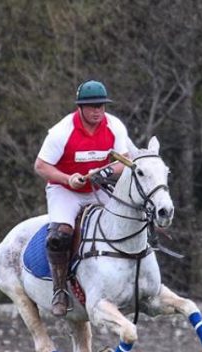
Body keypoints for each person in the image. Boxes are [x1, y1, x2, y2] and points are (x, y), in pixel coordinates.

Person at [34, 80, 130, 317]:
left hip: (98, 188)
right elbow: (41, 166)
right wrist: (68, 179)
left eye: (101, 106)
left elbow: (125, 161)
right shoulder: (61, 132)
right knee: (60, 236)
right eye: (92, 106)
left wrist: (106, 171)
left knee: (128, 220)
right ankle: (59, 290)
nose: (98, 111)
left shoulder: (114, 126)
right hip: (65, 190)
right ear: (80, 108)